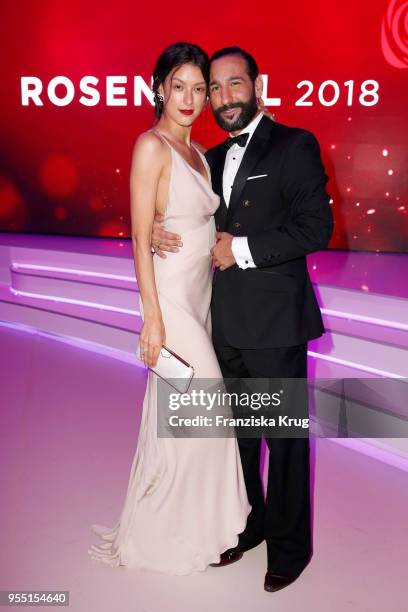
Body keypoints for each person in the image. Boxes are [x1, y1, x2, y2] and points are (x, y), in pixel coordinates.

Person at [151, 46, 334, 591]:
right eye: (215, 87)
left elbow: (313, 229)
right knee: (239, 440)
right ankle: (251, 524)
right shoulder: (205, 156)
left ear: (257, 85)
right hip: (221, 326)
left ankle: (291, 547)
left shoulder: (294, 144)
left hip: (275, 325)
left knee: (284, 442)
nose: (224, 97)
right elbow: (182, 209)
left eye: (235, 84)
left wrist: (244, 251)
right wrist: (160, 229)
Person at [87, 42, 251, 575]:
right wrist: (151, 317)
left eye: (198, 89)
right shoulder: (150, 146)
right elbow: (139, 240)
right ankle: (169, 533)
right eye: (178, 86)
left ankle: (196, 529)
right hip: (172, 308)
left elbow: (195, 221)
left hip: (200, 300)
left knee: (186, 424)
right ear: (159, 88)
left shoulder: (199, 154)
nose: (189, 98)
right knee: (209, 416)